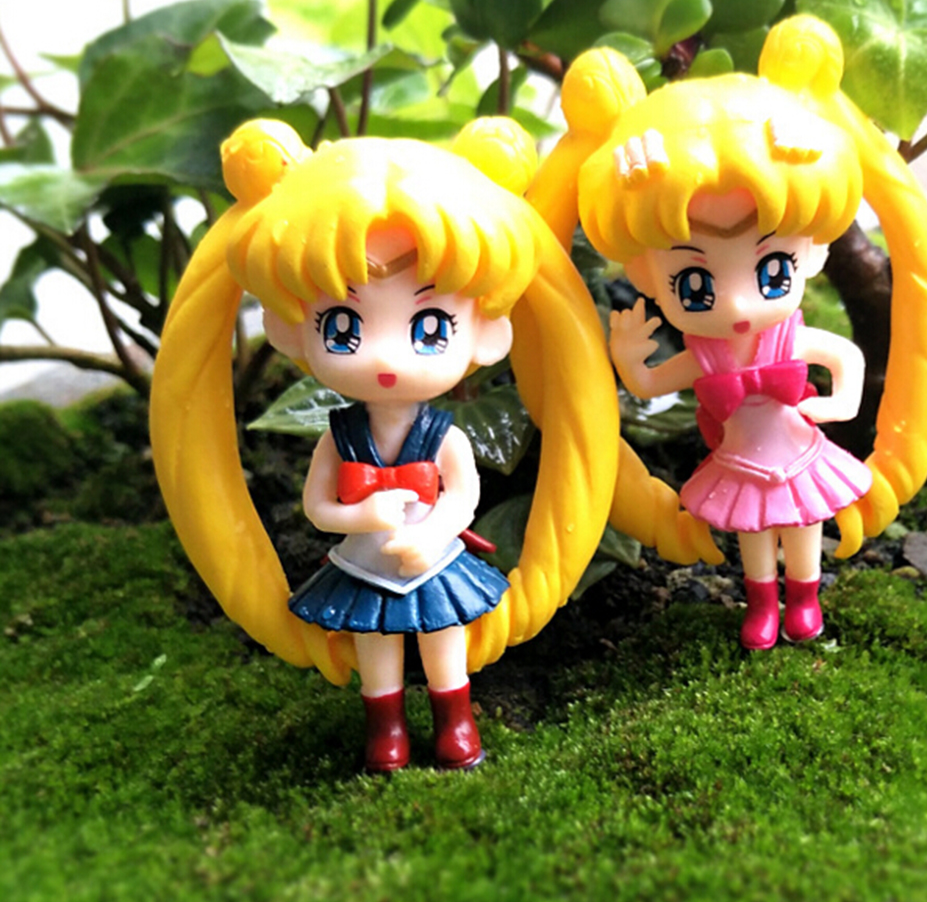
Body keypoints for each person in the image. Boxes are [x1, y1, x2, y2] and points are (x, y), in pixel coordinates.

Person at [150, 116, 619, 769]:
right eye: (344, 327)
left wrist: (435, 532)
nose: (386, 358)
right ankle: (386, 729)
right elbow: (317, 507)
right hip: (363, 562)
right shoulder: (340, 438)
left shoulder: (443, 437)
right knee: (374, 647)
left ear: (487, 333)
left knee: (445, 640)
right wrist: (360, 514)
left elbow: (462, 496)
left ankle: (456, 722)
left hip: (433, 559)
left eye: (429, 328)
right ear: (292, 331)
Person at [528, 14, 927, 647]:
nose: (735, 303)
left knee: (803, 524)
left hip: (798, 448)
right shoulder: (705, 355)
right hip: (740, 459)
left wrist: (837, 405)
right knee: (755, 533)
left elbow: (846, 358)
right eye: (694, 285)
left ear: (811, 253)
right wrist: (628, 355)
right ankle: (761, 602)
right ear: (646, 274)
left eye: (772, 270)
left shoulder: (787, 340)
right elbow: (648, 386)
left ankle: (803, 596)